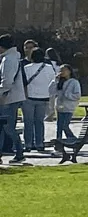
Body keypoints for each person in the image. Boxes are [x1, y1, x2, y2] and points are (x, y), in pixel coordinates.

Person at [20, 48, 59, 155]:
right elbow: (53, 81)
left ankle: (28, 144)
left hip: (29, 97)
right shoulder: (49, 68)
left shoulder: (26, 68)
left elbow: (23, 82)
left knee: (28, 122)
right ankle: (39, 144)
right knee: (39, 122)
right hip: (44, 97)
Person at [0, 35, 21, 164]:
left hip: (7, 97)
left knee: (7, 127)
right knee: (4, 127)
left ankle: (19, 151)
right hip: (10, 96)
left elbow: (7, 81)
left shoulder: (9, 59)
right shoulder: (11, 57)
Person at [53, 65, 82, 150]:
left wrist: (67, 95)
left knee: (65, 125)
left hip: (69, 107)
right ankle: (58, 144)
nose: (62, 72)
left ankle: (73, 140)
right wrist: (55, 81)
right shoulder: (59, 82)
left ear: (69, 71)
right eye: (61, 70)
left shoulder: (74, 82)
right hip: (59, 107)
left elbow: (77, 95)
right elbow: (51, 91)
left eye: (64, 70)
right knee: (59, 126)